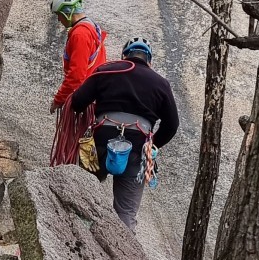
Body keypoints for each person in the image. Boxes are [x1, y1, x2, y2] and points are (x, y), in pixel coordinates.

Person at [69, 37, 179, 233]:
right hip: (136, 151)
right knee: (126, 214)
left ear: (124, 56)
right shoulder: (161, 83)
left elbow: (77, 102)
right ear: (149, 60)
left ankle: (74, 236)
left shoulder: (107, 70)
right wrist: (152, 144)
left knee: (81, 196)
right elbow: (172, 125)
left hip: (99, 145)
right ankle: (122, 259)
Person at [48, 0, 107, 166]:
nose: (58, 21)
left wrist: (58, 100)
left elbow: (76, 76)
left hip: (83, 100)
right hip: (94, 99)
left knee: (73, 146)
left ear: (66, 12)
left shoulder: (80, 34)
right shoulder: (91, 29)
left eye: (59, 15)